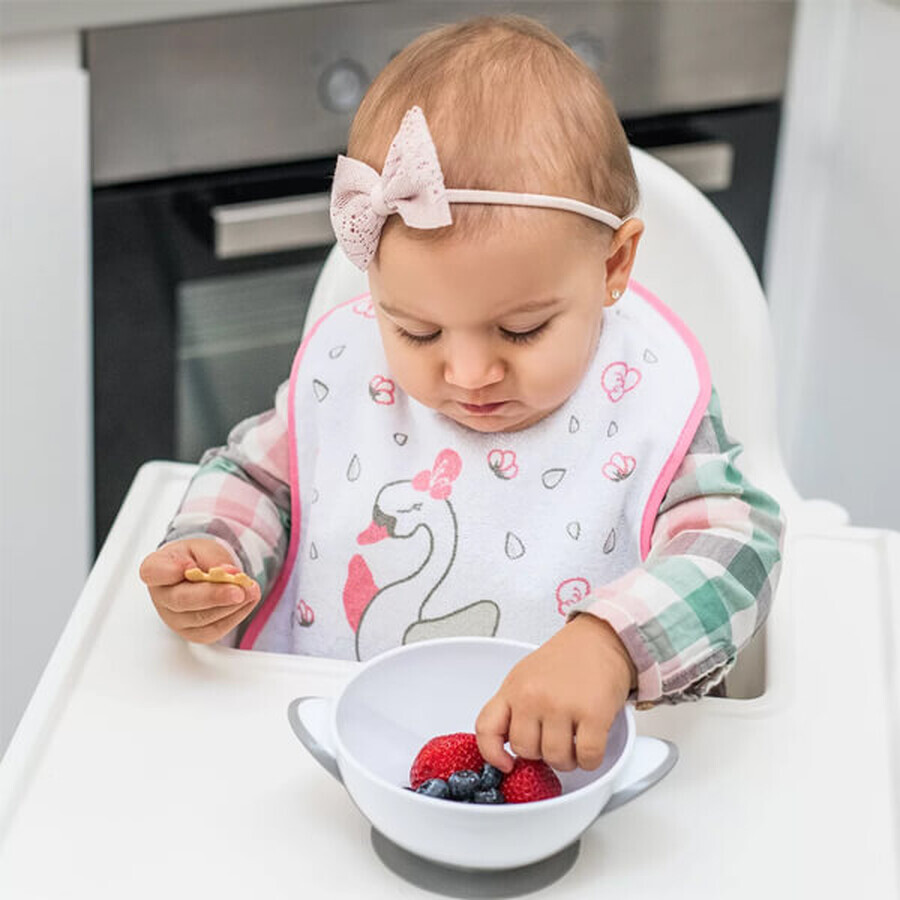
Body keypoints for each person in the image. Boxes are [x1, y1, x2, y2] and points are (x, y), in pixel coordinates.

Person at [139, 15, 783, 776]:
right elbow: (255, 476)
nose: (470, 373)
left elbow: (739, 548)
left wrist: (611, 643)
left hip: (559, 776)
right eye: (416, 332)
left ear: (613, 263)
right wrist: (215, 550)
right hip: (337, 748)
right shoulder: (352, 371)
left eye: (521, 331)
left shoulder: (640, 394)